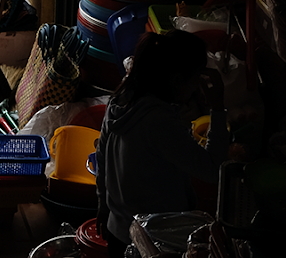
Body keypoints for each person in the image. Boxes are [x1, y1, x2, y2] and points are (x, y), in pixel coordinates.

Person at [96, 30, 228, 258]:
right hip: (151, 240)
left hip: (117, 229)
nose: (198, 88)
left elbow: (101, 158)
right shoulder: (159, 123)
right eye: (196, 79)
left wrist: (103, 206)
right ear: (177, 81)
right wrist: (217, 108)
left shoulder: (121, 100)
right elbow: (214, 169)